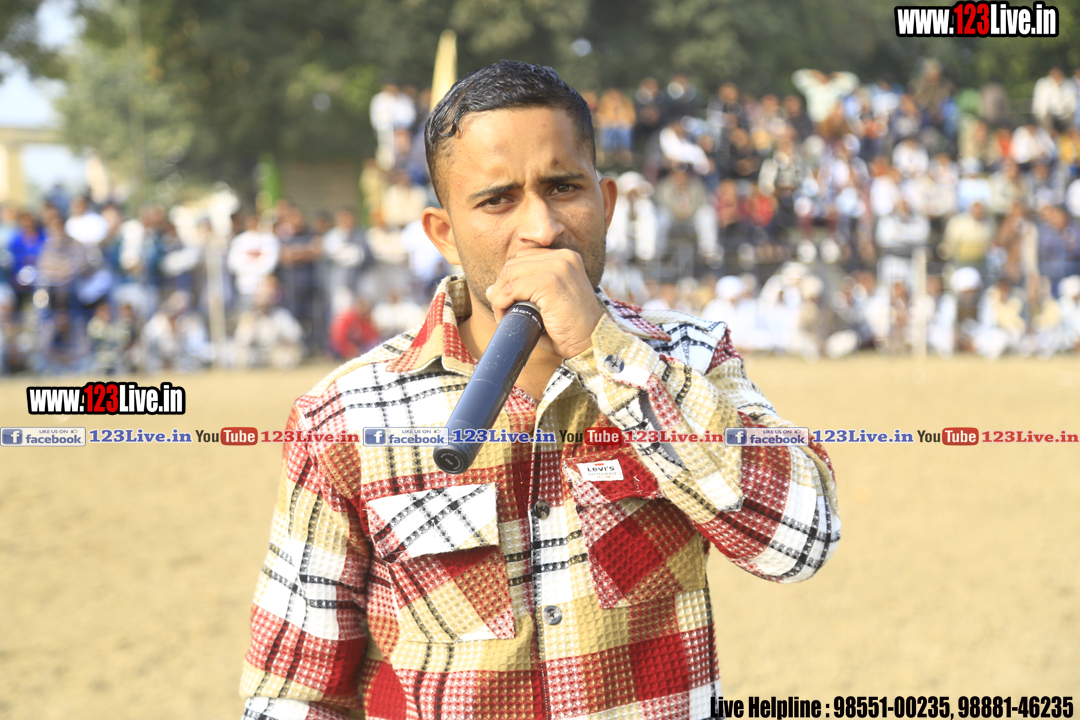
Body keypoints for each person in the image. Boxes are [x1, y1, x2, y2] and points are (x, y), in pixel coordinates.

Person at [240, 60, 840, 720]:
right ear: (444, 234)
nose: (542, 228)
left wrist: (606, 351)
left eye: (563, 187)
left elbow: (801, 541)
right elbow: (294, 693)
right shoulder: (345, 415)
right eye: (498, 200)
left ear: (606, 203)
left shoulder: (688, 357)